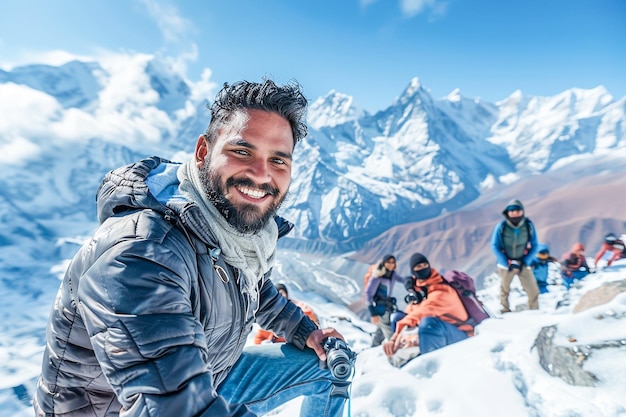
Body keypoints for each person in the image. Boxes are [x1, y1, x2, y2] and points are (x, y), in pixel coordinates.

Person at [34, 80, 352, 417]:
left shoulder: (231, 232)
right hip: (127, 408)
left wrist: (306, 332)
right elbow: (175, 407)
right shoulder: (140, 252)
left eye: (278, 160)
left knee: (329, 368)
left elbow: (255, 289)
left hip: (209, 375)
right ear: (203, 152)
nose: (261, 174)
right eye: (242, 151)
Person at [382, 253, 472, 359]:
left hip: (460, 333)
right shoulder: (422, 290)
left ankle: (430, 366)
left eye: (425, 265)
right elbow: (410, 313)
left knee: (428, 323)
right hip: (442, 332)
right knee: (397, 317)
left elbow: (423, 312)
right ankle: (402, 357)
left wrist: (395, 338)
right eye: (418, 266)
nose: (423, 268)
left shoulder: (442, 288)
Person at [490, 199, 540, 313]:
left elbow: (535, 245)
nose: (514, 213)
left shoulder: (528, 225)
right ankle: (505, 310)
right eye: (511, 210)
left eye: (517, 210)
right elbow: (494, 245)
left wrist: (525, 261)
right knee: (504, 289)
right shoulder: (501, 227)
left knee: (533, 290)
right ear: (507, 212)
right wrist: (506, 261)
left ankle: (534, 311)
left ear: (522, 211)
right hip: (506, 264)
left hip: (523, 262)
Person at [254, 283, 319, 344]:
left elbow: (310, 318)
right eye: (279, 293)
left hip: (296, 343)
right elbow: (258, 338)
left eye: (283, 293)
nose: (282, 295)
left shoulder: (298, 307)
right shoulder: (269, 315)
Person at [363, 254, 405, 347]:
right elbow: (368, 294)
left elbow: (402, 280)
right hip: (380, 308)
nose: (391, 264)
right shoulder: (377, 276)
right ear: (384, 263)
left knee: (380, 332)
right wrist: (373, 313)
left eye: (393, 262)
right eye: (388, 262)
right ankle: (394, 347)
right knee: (389, 330)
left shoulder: (392, 274)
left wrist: (411, 281)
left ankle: (372, 349)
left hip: (387, 306)